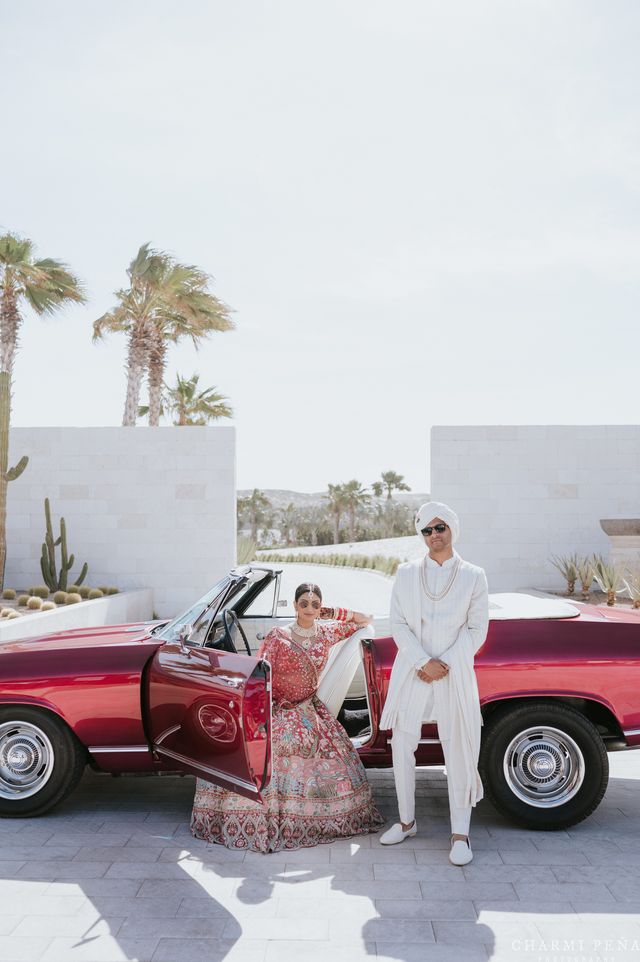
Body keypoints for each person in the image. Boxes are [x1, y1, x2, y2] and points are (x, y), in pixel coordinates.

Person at [191, 583, 384, 852]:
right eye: (303, 603)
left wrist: (330, 612)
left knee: (313, 746)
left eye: (315, 604)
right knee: (268, 744)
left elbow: (366, 619)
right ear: (294, 605)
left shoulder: (327, 632)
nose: (309, 609)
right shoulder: (278, 636)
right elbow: (260, 675)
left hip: (308, 708)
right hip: (277, 707)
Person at [379, 501, 489, 865]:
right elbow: (398, 624)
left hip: (454, 673)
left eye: (439, 528)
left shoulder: (474, 575)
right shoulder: (406, 573)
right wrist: (423, 661)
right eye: (427, 530)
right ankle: (407, 821)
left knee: (458, 747)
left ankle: (461, 833)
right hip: (414, 670)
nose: (434, 535)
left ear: (452, 529)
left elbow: (476, 630)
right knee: (402, 745)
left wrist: (446, 663)